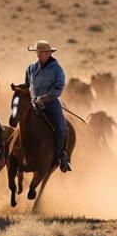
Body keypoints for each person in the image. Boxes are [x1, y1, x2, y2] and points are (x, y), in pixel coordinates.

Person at [25, 40, 71, 172]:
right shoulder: (31, 68)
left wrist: (45, 98)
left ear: (50, 53)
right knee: (20, 121)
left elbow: (59, 86)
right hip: (34, 103)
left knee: (61, 127)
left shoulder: (57, 69)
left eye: (47, 52)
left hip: (51, 103)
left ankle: (61, 155)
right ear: (37, 53)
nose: (44, 54)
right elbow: (27, 85)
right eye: (41, 52)